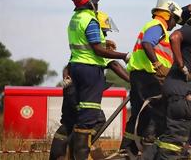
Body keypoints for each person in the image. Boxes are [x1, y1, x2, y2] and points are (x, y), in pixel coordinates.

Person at [49, 9, 130, 160]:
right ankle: (80, 150)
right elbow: (115, 66)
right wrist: (133, 81)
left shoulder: (81, 47)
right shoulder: (98, 49)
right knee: (96, 120)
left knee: (67, 124)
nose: (104, 35)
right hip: (82, 93)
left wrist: (66, 77)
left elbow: (68, 66)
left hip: (71, 90)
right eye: (103, 31)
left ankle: (60, 156)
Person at [145, 1, 191, 159]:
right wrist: (181, 64)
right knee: (175, 140)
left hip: (176, 89)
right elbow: (174, 37)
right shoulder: (190, 31)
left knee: (167, 135)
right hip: (180, 92)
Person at [66, 0, 129, 160]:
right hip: (89, 71)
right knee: (88, 120)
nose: (97, 3)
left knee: (85, 118)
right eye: (95, 0)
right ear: (90, 2)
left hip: (77, 67)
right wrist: (124, 55)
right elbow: (97, 50)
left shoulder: (75, 18)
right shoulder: (90, 20)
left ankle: (77, 154)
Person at [119, 0, 182, 157]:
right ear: (168, 16)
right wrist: (157, 64)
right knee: (155, 115)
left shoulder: (154, 25)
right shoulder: (158, 26)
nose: (175, 25)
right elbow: (148, 43)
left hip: (140, 76)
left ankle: (127, 150)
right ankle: (148, 151)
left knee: (140, 115)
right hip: (148, 77)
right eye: (175, 19)